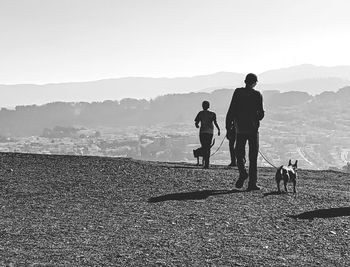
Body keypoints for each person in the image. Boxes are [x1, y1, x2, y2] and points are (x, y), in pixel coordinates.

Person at [226, 73, 264, 190]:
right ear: (254, 83)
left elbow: (231, 110)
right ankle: (252, 183)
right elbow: (261, 114)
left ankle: (242, 172)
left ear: (245, 81)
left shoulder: (237, 92)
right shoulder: (257, 95)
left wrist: (228, 128)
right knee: (253, 157)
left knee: (239, 153)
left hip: (240, 129)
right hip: (252, 130)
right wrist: (255, 119)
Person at [195, 101, 220, 169]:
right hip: (210, 132)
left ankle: (205, 164)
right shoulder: (212, 114)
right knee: (208, 148)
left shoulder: (200, 113)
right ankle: (207, 163)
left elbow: (196, 122)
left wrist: (197, 125)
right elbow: (215, 123)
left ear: (202, 106)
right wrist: (218, 130)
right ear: (209, 106)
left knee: (204, 147)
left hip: (202, 132)